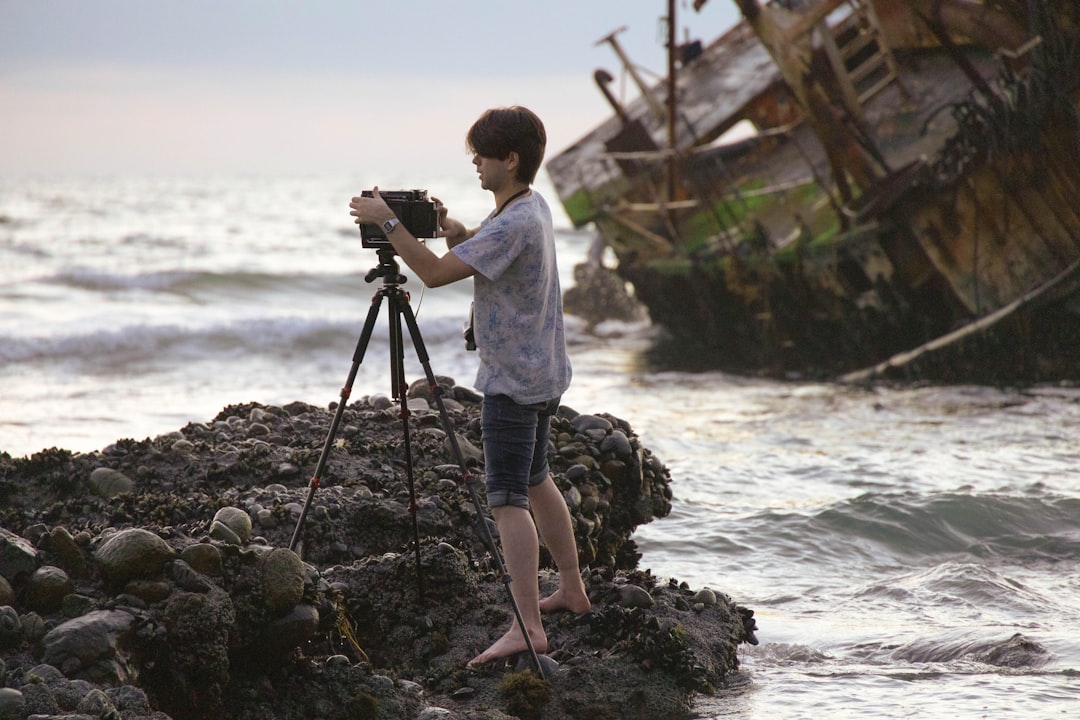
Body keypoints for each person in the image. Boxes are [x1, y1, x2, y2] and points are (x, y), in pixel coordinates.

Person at [348, 106, 591, 665]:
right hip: (545, 371)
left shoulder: (512, 224)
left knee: (506, 500)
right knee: (537, 480)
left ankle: (527, 627)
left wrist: (389, 223)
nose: (476, 164)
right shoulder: (531, 208)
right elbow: (477, 246)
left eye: (483, 155)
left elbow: (432, 274)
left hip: (513, 381)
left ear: (511, 158)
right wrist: (451, 229)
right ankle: (573, 589)